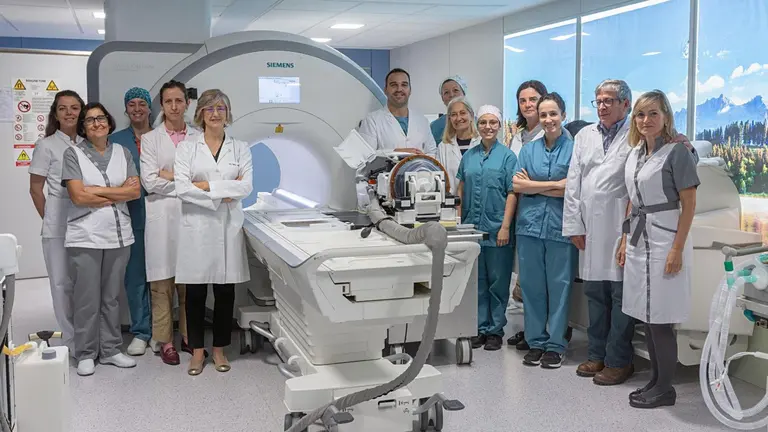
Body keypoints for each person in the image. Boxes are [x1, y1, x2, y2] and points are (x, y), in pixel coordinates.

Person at [617, 90, 699, 408]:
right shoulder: (637, 153)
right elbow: (633, 202)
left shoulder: (677, 152)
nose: (646, 120)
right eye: (640, 114)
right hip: (640, 240)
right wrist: (625, 240)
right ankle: (654, 380)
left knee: (661, 319)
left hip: (666, 241)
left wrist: (677, 249)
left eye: (653, 113)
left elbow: (689, 204)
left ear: (665, 116)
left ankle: (665, 388)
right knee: (646, 317)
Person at [174, 89, 253, 375]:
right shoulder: (187, 148)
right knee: (194, 293)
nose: (216, 113)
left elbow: (246, 188)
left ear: (228, 113)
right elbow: (181, 188)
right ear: (201, 114)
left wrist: (205, 186)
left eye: (221, 108)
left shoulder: (240, 147)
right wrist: (222, 191)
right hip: (196, 227)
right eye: (209, 109)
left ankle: (219, 349)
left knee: (225, 292)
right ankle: (197, 352)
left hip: (228, 228)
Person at [563, 79, 636, 386]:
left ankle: (619, 361)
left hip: (622, 226)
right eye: (599, 101)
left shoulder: (636, 134)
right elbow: (574, 181)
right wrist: (573, 224)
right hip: (590, 227)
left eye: (609, 101)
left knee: (621, 296)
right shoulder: (585, 135)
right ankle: (596, 355)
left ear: (625, 104)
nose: (603, 106)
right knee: (595, 294)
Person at [61, 102, 141, 376]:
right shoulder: (72, 154)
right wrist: (116, 190)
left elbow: (134, 193)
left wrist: (99, 191)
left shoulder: (123, 152)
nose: (97, 123)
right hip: (86, 236)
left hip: (119, 236)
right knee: (86, 298)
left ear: (109, 122)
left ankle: (110, 350)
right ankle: (85, 352)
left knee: (111, 298)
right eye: (90, 120)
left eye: (101, 118)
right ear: (83, 127)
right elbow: (78, 196)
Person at [513, 93, 577, 369]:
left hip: (561, 228)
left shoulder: (574, 149)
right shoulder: (529, 150)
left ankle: (555, 344)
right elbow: (517, 186)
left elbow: (573, 186)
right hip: (529, 227)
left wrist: (535, 185)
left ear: (563, 114)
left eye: (553, 114)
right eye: (543, 115)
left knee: (559, 287)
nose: (548, 119)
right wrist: (555, 185)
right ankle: (536, 341)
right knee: (531, 286)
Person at [140, 80, 199, 366]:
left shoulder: (199, 137)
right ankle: (165, 341)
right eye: (168, 102)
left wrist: (170, 175)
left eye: (179, 101)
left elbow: (204, 179)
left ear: (187, 103)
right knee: (162, 287)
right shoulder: (151, 139)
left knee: (190, 285)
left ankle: (189, 337)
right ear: (161, 105)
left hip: (191, 217)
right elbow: (149, 181)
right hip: (162, 218)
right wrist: (185, 181)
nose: (174, 107)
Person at [28, 90, 85, 356]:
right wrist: (50, 218)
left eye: (74, 108)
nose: (69, 113)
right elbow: (36, 189)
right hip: (57, 227)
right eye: (63, 108)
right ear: (55, 113)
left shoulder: (88, 144)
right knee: (61, 285)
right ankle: (72, 342)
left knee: (84, 285)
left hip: (86, 225)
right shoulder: (46, 145)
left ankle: (87, 336)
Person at [457, 105, 518, 351]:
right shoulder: (469, 156)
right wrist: (461, 224)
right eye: (483, 122)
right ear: (477, 125)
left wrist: (505, 227)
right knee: (478, 281)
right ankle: (479, 328)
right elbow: (461, 189)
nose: (488, 127)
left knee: (498, 281)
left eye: (493, 122)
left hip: (497, 229)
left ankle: (495, 330)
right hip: (473, 228)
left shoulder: (507, 157)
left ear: (500, 125)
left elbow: (513, 193)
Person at [109, 87, 153, 356]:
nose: (137, 108)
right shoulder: (115, 141)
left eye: (142, 103)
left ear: (150, 108)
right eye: (131, 104)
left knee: (162, 278)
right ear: (125, 110)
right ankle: (140, 331)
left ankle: (161, 332)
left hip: (163, 213)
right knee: (135, 276)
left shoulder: (162, 137)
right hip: (131, 213)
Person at [358, 68, 437, 157]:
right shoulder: (372, 121)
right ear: (385, 90)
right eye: (393, 85)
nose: (399, 89)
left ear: (410, 90)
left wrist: (422, 157)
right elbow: (364, 156)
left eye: (404, 85)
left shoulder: (422, 121)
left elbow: (432, 153)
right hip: (386, 171)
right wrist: (394, 152)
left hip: (418, 170)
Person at [437, 97, 479, 195]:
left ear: (471, 115)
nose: (458, 118)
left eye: (463, 113)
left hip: (478, 203)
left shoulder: (482, 143)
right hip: (452, 204)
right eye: (454, 115)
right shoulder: (443, 147)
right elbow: (439, 179)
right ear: (449, 119)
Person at [507, 80, 547, 155]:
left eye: (533, 99)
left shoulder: (552, 135)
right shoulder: (516, 139)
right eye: (522, 101)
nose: (527, 105)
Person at [430, 76, 468, 145]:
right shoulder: (435, 126)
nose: (451, 95)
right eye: (446, 92)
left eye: (455, 90)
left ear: (464, 93)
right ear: (442, 98)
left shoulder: (478, 122)